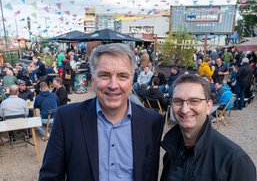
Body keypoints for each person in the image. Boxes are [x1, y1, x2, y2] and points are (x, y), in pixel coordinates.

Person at [39, 43, 164, 181]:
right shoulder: (67, 119)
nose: (113, 85)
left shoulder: (152, 122)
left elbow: (150, 174)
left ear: (131, 80)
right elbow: (50, 177)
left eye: (122, 76)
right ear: (93, 79)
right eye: (104, 75)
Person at [160, 74, 256, 181]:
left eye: (194, 101)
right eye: (178, 101)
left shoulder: (235, 162)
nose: (184, 109)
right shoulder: (171, 150)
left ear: (208, 106)